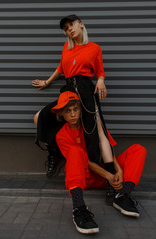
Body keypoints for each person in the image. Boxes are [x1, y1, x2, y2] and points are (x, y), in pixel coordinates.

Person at [52, 91, 147, 234]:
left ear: (81, 110)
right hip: (85, 178)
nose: (73, 114)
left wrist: (118, 171)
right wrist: (109, 176)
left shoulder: (92, 126)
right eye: (68, 111)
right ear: (61, 114)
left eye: (76, 109)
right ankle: (79, 208)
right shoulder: (61, 136)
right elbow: (86, 162)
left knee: (138, 150)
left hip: (105, 175)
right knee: (76, 152)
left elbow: (107, 147)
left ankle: (123, 195)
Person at [32, 14, 112, 180]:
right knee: (40, 116)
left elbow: (100, 72)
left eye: (71, 25)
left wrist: (101, 81)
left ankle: (108, 176)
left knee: (97, 133)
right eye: (66, 29)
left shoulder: (94, 48)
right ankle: (55, 154)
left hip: (86, 89)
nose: (69, 30)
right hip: (68, 91)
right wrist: (47, 82)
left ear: (81, 24)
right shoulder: (66, 48)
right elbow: (61, 67)